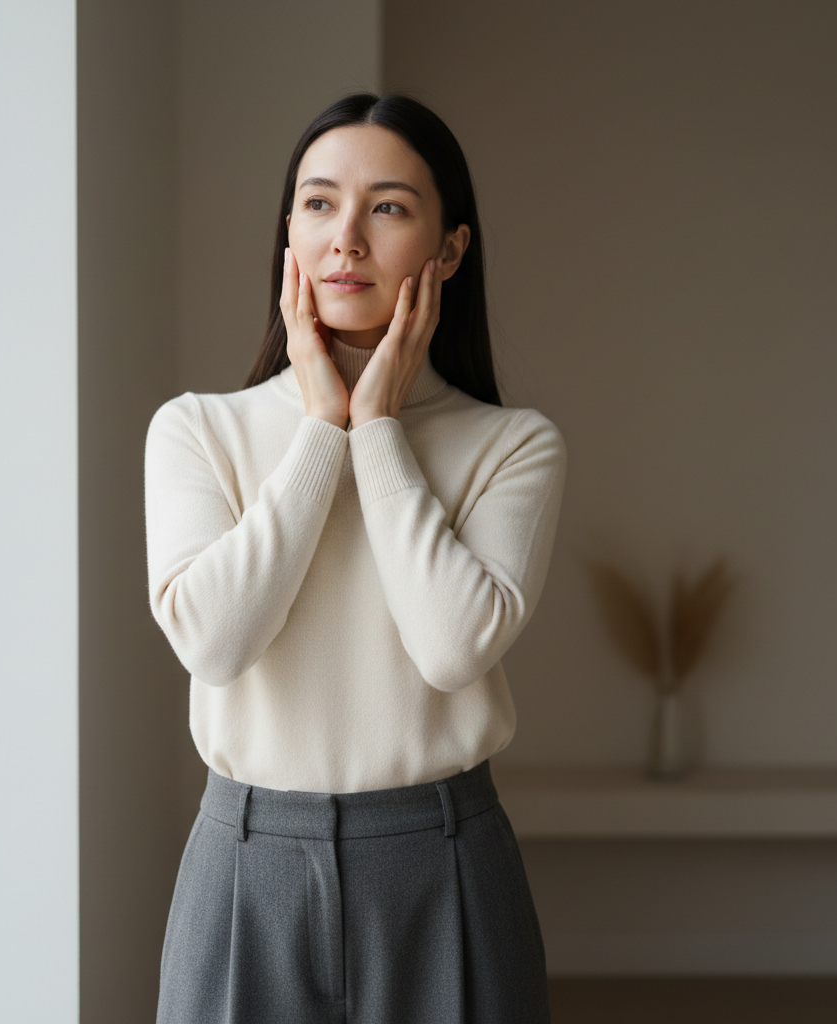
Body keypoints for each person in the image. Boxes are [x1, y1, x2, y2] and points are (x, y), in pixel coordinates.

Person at [146, 93, 566, 1024]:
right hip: (244, 866)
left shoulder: (513, 445)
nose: (346, 238)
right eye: (318, 203)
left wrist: (376, 428)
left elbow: (452, 649)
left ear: (449, 248)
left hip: (444, 864)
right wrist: (320, 429)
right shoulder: (197, 430)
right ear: (288, 234)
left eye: (388, 207)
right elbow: (214, 644)